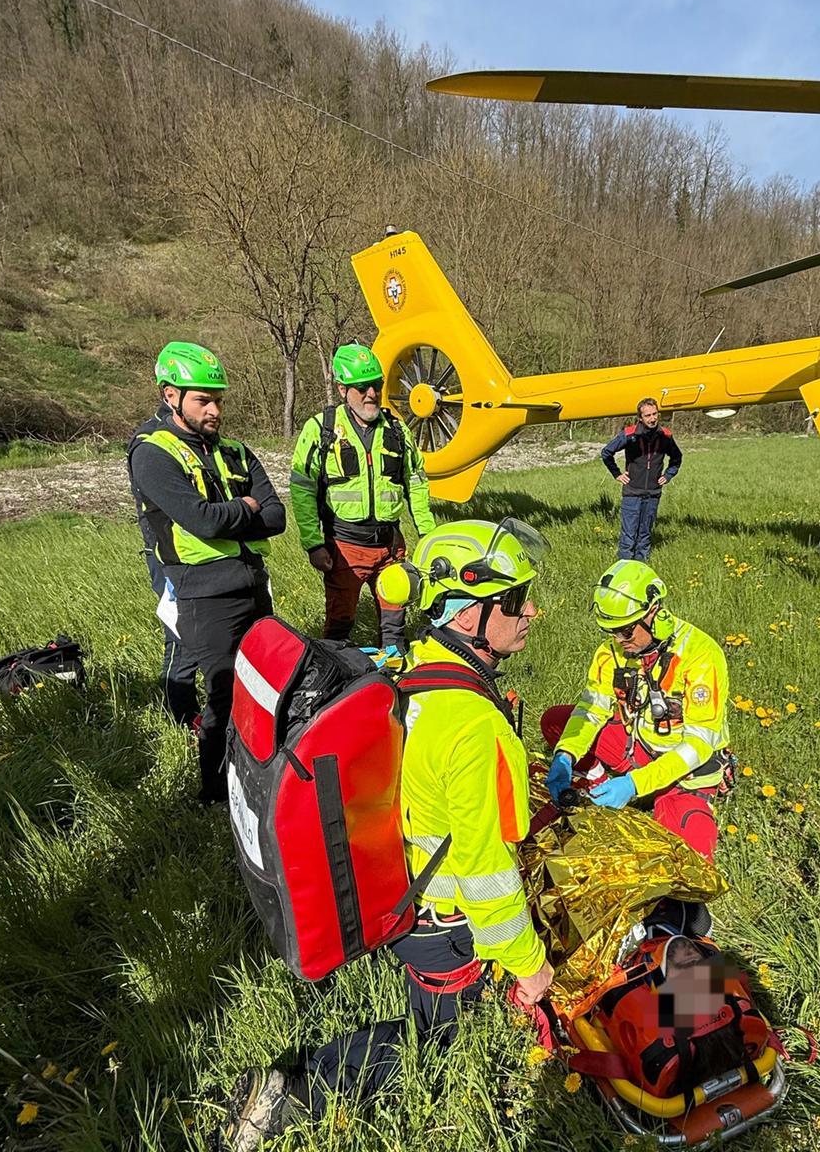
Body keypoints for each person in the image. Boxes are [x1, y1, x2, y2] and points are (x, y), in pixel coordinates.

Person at [222, 519, 553, 1149]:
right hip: (443, 925)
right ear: (467, 615)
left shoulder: (414, 666)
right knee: (435, 1046)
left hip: (400, 893)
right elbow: (484, 867)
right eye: (514, 600)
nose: (530, 609)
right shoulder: (472, 726)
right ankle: (300, 1090)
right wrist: (528, 965)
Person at [128, 342, 285, 803]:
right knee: (222, 694)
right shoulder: (153, 452)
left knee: (264, 683)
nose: (215, 410)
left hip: (253, 581)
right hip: (203, 592)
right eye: (203, 400)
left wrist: (236, 511)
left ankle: (263, 771)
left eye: (219, 399)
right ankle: (216, 794)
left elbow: (275, 517)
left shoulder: (235, 451)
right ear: (171, 395)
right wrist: (246, 507)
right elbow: (201, 520)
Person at [542, 560, 731, 860]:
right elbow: (591, 710)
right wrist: (565, 755)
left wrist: (635, 784)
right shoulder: (612, 652)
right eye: (611, 631)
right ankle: (599, 778)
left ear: (653, 613)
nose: (619, 641)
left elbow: (698, 744)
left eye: (626, 631)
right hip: (637, 751)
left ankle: (657, 797)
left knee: (690, 855)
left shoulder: (701, 654)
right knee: (556, 721)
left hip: (684, 772)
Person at [290, 343, 435, 652]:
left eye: (377, 385)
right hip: (345, 548)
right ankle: (336, 683)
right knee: (340, 626)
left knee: (395, 625)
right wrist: (313, 544)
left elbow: (416, 480)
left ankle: (394, 683)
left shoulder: (397, 430)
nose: (372, 393)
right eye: (361, 387)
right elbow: (302, 488)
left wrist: (428, 534)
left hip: (390, 546)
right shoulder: (321, 430)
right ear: (343, 389)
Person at [126, 396, 200, 726]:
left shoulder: (196, 436)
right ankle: (182, 718)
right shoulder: (150, 442)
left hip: (209, 555)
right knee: (181, 635)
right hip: (169, 557)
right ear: (171, 396)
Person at [600, 398, 681, 563]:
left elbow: (677, 458)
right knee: (629, 535)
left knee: (645, 533)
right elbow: (606, 452)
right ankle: (624, 567)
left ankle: (641, 566)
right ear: (640, 418)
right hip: (632, 492)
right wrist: (617, 474)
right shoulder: (630, 434)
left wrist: (668, 475)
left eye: (654, 414)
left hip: (653, 493)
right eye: (647, 415)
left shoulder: (665, 436)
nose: (652, 419)